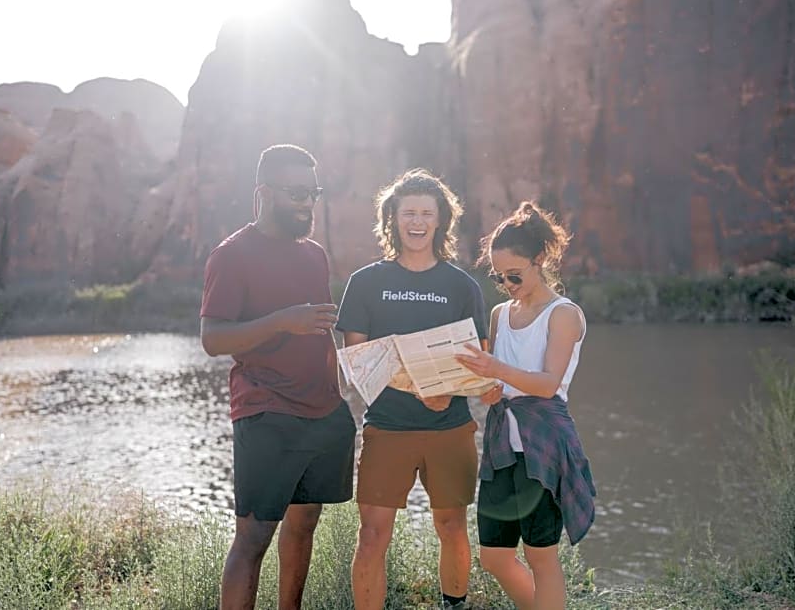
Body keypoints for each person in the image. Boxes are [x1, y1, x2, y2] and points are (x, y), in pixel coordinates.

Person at [199, 144, 356, 610]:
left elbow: (319, 328)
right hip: (266, 412)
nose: (307, 203)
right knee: (253, 536)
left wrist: (340, 389)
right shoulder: (231, 256)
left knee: (304, 524)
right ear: (263, 193)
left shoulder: (314, 256)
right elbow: (213, 338)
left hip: (324, 413)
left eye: (313, 193)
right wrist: (282, 320)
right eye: (295, 193)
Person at [336, 169, 487, 610]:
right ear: (393, 219)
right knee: (371, 537)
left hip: (451, 428)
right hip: (387, 428)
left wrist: (451, 391)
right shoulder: (365, 283)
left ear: (441, 220)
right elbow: (358, 364)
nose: (417, 222)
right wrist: (419, 387)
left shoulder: (462, 286)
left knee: (453, 529)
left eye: (426, 213)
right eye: (408, 213)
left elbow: (478, 359)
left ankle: (453, 605)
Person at [455, 201, 596, 610]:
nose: (508, 284)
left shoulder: (563, 314)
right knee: (494, 555)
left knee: (541, 556)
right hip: (502, 444)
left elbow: (548, 385)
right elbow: (500, 383)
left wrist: (498, 369)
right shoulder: (500, 314)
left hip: (544, 441)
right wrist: (489, 388)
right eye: (499, 278)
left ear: (540, 260)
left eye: (514, 275)